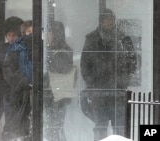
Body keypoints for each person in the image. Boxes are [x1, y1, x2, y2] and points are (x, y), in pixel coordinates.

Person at [80, 8, 137, 141]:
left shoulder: (122, 38)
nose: (108, 22)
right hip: (99, 90)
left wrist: (123, 81)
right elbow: (85, 64)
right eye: (105, 20)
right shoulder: (92, 39)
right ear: (101, 21)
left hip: (117, 90)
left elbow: (132, 63)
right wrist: (92, 83)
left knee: (119, 126)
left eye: (110, 19)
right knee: (100, 126)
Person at [2, 20, 33, 141]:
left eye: (34, 32)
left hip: (34, 91)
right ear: (24, 33)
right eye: (29, 32)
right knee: (18, 124)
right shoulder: (15, 48)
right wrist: (23, 82)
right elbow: (8, 70)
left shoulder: (42, 46)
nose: (32, 35)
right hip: (19, 91)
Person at [43, 21, 75, 141]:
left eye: (49, 34)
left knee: (54, 127)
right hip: (56, 95)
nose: (47, 37)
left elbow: (57, 74)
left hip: (56, 95)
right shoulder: (54, 50)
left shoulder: (61, 52)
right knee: (54, 127)